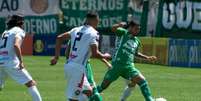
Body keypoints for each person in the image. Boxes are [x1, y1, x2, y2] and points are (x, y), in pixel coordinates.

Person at [50, 11, 111, 101]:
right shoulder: (94, 33)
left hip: (71, 66)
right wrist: (105, 56)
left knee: (89, 92)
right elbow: (95, 54)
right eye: (97, 21)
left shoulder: (75, 30)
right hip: (78, 69)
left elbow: (59, 38)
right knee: (73, 98)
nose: (98, 23)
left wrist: (56, 57)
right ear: (93, 20)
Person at [97, 20, 157, 101]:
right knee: (103, 86)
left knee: (142, 81)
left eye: (139, 29)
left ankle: (149, 99)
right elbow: (113, 29)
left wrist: (147, 57)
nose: (138, 31)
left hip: (129, 67)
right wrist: (119, 25)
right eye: (136, 29)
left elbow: (136, 53)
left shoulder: (137, 41)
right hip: (116, 65)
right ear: (131, 28)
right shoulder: (123, 33)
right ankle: (88, 96)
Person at [0, 15, 42, 101]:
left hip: (1, 61)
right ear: (20, 23)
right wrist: (21, 61)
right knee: (31, 83)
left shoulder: (5, 32)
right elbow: (16, 45)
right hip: (11, 62)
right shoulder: (19, 31)